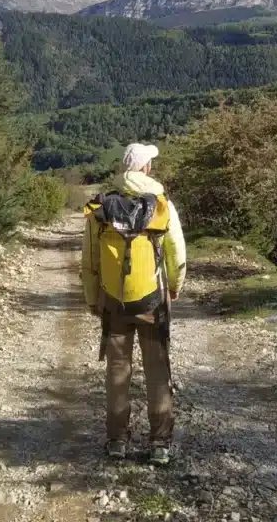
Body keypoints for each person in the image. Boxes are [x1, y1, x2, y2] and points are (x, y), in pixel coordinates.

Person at [81, 142, 186, 466]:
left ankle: (117, 441)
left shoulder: (100, 209)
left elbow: (89, 262)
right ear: (147, 169)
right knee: (157, 372)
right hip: (152, 300)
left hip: (114, 300)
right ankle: (160, 445)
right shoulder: (162, 206)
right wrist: (174, 288)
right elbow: (177, 254)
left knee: (117, 371)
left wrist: (91, 300)